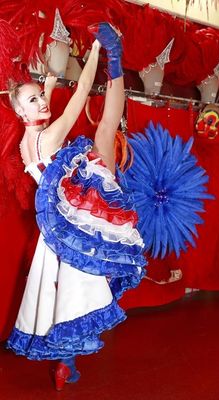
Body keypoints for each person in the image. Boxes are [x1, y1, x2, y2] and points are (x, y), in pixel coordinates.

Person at [5, 22, 146, 391]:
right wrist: (97, 50)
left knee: (61, 295)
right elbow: (81, 89)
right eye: (33, 101)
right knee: (104, 133)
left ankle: (66, 364)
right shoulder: (50, 135)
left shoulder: (26, 142)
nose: (43, 102)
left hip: (55, 233)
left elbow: (48, 83)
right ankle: (115, 57)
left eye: (40, 96)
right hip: (75, 220)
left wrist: (49, 65)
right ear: (20, 111)